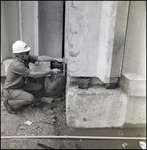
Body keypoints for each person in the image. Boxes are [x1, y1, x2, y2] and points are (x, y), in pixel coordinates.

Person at [3, 40, 63, 114]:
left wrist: (55, 59)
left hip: (20, 86)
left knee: (38, 87)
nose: (28, 54)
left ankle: (32, 101)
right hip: (11, 90)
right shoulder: (16, 65)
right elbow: (35, 75)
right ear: (19, 54)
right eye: (27, 53)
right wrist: (51, 71)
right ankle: (10, 103)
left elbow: (41, 58)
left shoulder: (25, 58)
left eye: (28, 52)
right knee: (30, 98)